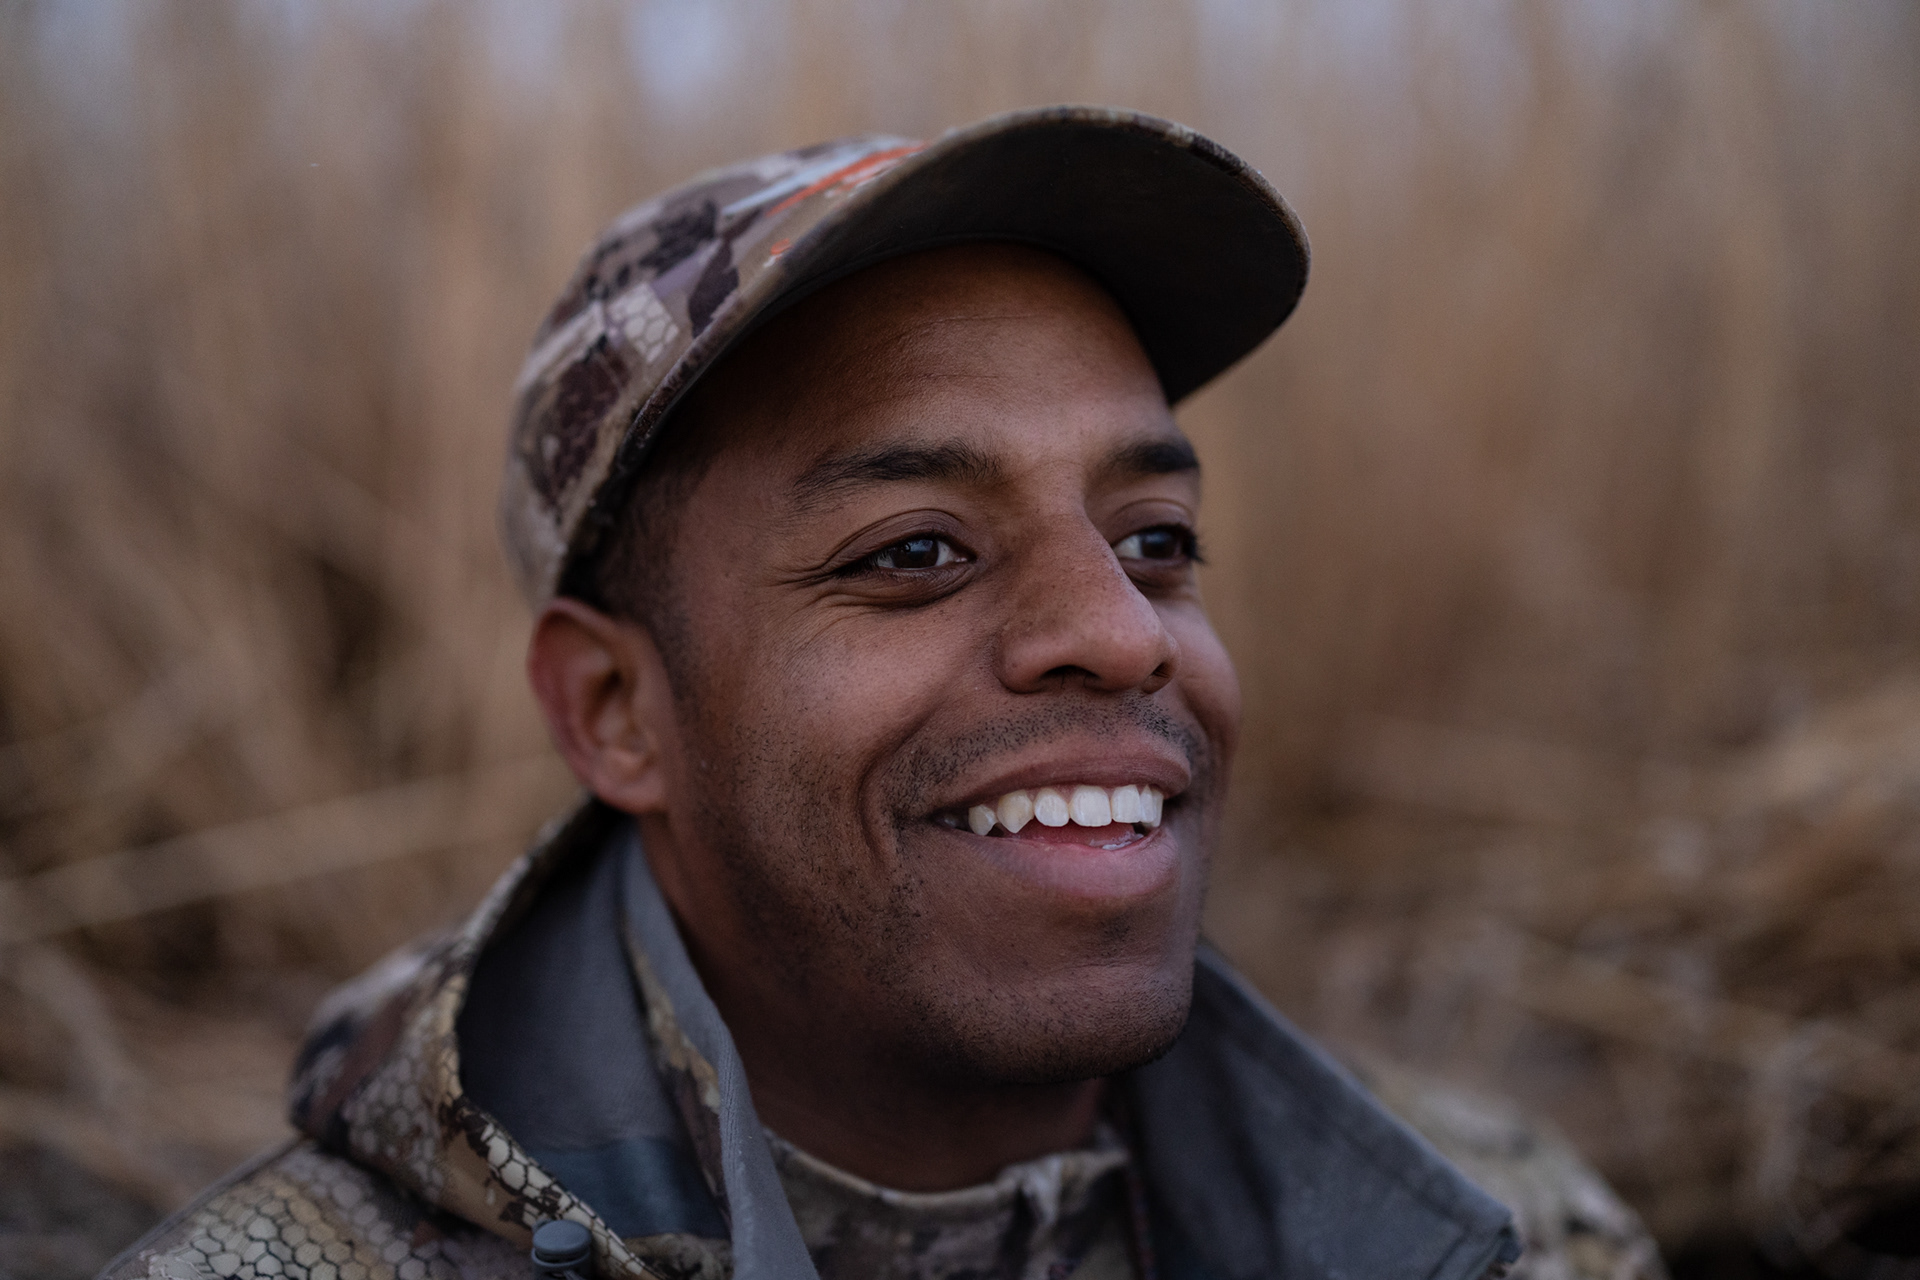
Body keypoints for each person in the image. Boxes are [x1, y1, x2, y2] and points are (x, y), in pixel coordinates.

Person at [104, 107, 1660, 1280]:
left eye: (1157, 540)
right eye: (915, 551)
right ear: (617, 711)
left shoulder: (1504, 1222)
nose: (1121, 632)